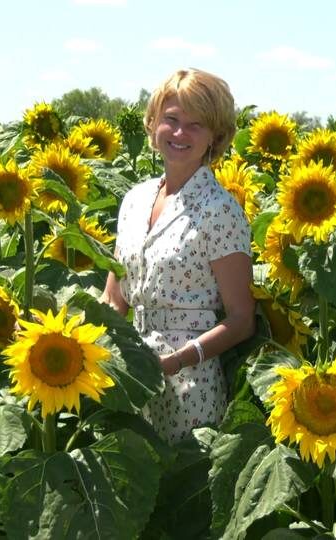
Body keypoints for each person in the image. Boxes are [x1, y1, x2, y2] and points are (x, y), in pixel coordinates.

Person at [100, 68, 255, 444]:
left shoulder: (220, 210)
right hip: (131, 372)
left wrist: (176, 361)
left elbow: (241, 319)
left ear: (215, 137)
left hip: (191, 382)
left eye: (195, 125)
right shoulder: (134, 200)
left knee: (183, 482)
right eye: (171, 120)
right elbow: (113, 299)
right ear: (153, 124)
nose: (180, 133)